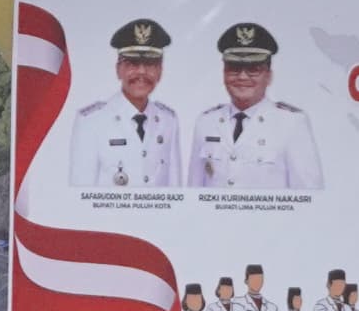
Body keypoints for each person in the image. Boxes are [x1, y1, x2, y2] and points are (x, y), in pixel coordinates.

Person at [189, 22, 320, 189]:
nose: (242, 77)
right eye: (234, 68)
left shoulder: (291, 123)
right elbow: (193, 194)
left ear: (269, 76)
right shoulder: (206, 122)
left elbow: (310, 198)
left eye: (253, 69)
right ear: (224, 73)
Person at [68, 17, 186, 188]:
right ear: (118, 69)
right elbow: (80, 193)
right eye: (132, 63)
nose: (141, 72)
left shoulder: (169, 120)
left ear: (160, 71)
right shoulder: (91, 121)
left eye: (150, 64)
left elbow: (176, 190)